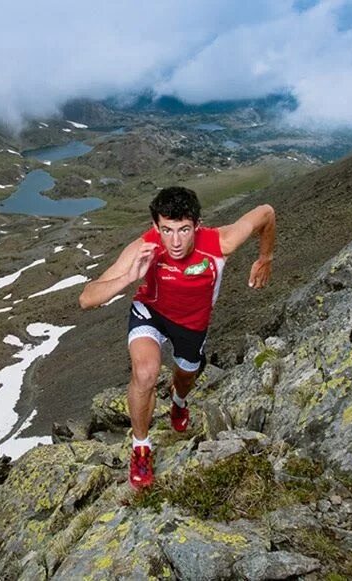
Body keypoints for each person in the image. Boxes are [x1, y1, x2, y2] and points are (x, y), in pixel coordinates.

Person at [78, 186, 275, 489]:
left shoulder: (220, 242)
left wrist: (265, 257)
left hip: (191, 327)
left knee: (185, 377)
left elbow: (266, 212)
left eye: (184, 230)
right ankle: (141, 447)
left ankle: (179, 401)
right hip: (150, 314)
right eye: (167, 230)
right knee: (145, 374)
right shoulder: (144, 246)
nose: (176, 241)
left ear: (197, 224)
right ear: (156, 226)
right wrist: (129, 277)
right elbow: (87, 298)